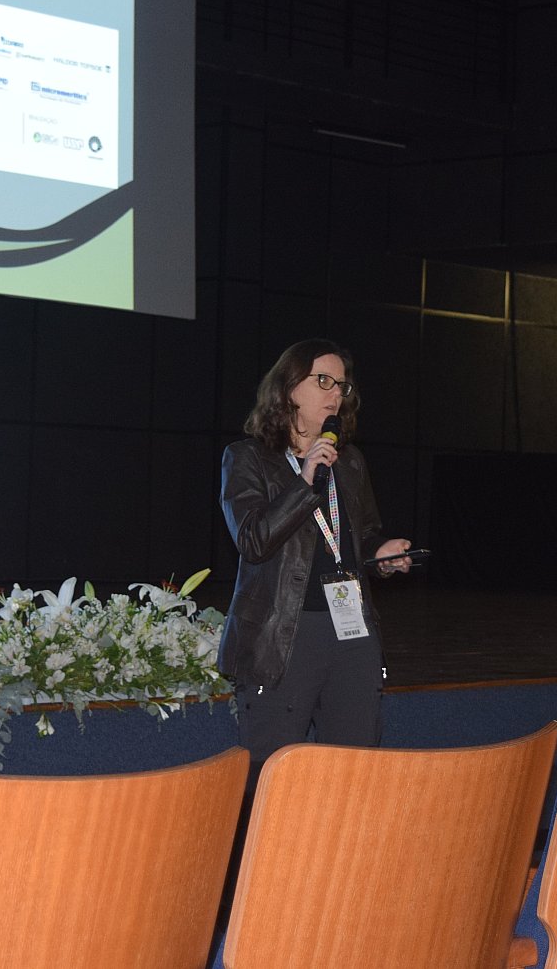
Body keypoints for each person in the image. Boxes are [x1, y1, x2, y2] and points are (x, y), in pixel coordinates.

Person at [218, 338, 413, 794]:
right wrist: (304, 480)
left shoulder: (350, 462)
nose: (336, 393)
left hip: (351, 634)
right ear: (288, 388)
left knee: (354, 772)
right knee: (271, 778)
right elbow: (253, 540)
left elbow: (361, 537)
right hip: (283, 637)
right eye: (324, 380)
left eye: (342, 385)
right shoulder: (247, 458)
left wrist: (382, 553)